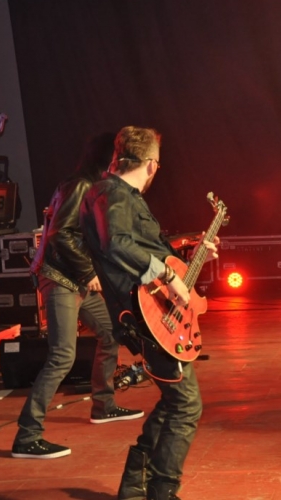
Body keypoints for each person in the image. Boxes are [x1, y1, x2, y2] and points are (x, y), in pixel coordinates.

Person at [80, 126, 218, 500]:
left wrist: (190, 252)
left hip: (150, 310)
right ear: (153, 164)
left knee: (176, 400)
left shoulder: (115, 195)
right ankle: (162, 490)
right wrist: (168, 275)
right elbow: (117, 243)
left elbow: (140, 246)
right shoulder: (112, 194)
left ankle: (135, 484)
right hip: (144, 316)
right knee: (186, 405)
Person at [12, 133, 143, 460]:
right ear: (108, 158)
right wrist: (88, 273)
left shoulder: (89, 185)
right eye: (117, 158)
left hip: (74, 279)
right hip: (60, 278)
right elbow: (60, 235)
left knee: (110, 332)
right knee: (62, 356)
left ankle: (103, 405)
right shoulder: (80, 185)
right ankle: (27, 436)